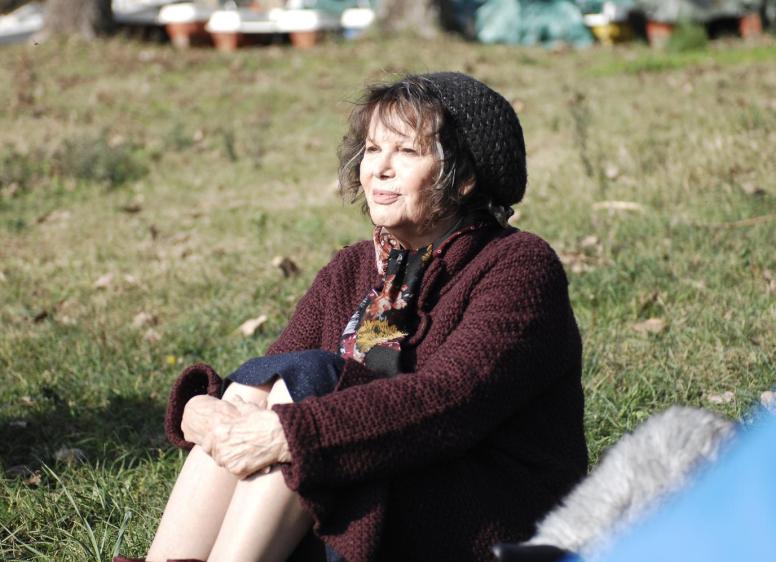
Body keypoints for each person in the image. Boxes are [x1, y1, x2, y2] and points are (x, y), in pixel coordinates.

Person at [114, 72, 588, 562]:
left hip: (483, 515)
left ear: (465, 177)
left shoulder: (517, 265)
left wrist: (292, 435)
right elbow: (271, 375)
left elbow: (453, 402)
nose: (379, 168)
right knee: (259, 392)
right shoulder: (353, 267)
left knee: (315, 381)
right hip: (376, 483)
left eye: (407, 152)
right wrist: (203, 409)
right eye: (372, 148)